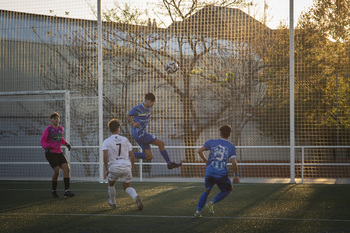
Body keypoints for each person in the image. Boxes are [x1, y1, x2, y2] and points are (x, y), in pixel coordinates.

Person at [194, 124, 240, 218]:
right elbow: (234, 162)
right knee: (229, 189)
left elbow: (199, 151)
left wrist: (205, 161)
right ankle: (212, 202)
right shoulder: (231, 146)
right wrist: (236, 174)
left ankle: (198, 212)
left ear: (220, 134)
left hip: (209, 171)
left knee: (207, 191)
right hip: (221, 173)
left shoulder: (212, 142)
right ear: (230, 134)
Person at [127, 92, 182, 169]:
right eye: (151, 101)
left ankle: (127, 154)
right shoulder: (137, 108)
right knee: (161, 143)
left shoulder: (149, 109)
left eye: (153, 102)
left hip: (140, 135)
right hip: (140, 134)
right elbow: (128, 115)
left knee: (149, 156)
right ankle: (169, 163)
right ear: (146, 100)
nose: (153, 103)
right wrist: (133, 122)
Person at [102, 119, 143, 210]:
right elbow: (132, 156)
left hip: (115, 167)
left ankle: (113, 202)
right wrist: (131, 167)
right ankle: (136, 196)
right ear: (118, 128)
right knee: (127, 186)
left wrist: (106, 169)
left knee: (111, 183)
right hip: (126, 166)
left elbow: (105, 157)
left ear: (110, 129)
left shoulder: (106, 141)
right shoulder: (125, 139)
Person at [40, 112, 74, 198]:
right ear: (51, 120)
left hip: (59, 152)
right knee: (57, 170)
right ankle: (53, 190)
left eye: (57, 118)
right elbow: (42, 140)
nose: (56, 120)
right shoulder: (48, 129)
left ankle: (66, 191)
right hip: (51, 153)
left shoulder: (60, 129)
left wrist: (66, 144)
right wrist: (45, 147)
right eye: (54, 118)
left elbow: (60, 138)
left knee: (66, 168)